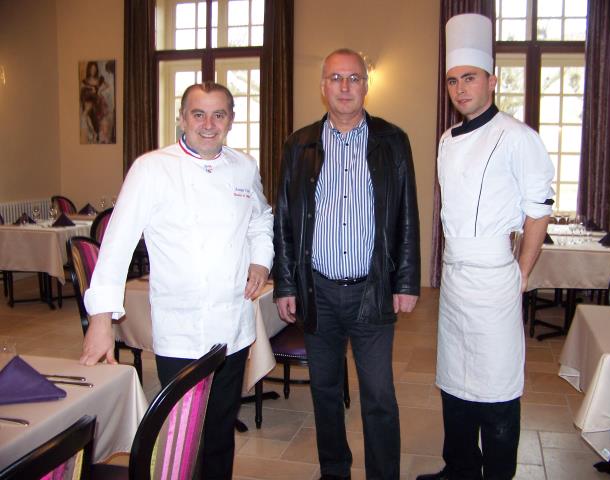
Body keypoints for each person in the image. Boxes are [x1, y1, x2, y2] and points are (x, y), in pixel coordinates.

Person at [80, 82, 274, 480]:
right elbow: (115, 243)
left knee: (221, 430)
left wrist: (261, 260)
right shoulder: (152, 168)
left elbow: (261, 218)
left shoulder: (243, 166)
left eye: (219, 114)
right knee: (181, 434)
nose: (208, 124)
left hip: (232, 328)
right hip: (180, 331)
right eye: (198, 114)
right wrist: (101, 321)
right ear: (182, 118)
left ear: (231, 120)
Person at [416, 14, 554, 480]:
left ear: (492, 81)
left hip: (496, 274)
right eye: (453, 80)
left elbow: (538, 211)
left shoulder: (518, 137)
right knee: (453, 380)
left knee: (496, 386)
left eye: (469, 78)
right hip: (456, 277)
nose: (460, 89)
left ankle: (497, 473)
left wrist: (523, 272)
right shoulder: (445, 140)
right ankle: (458, 467)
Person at [273, 48, 421, 480]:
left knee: (378, 395)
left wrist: (407, 280)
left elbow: (407, 214)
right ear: (322, 87)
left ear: (365, 86)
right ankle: (334, 470)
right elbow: (284, 218)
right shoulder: (298, 144)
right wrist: (286, 285)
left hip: (371, 292)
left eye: (353, 78)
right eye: (335, 78)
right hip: (317, 292)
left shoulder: (392, 141)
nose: (344, 86)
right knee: (324, 391)